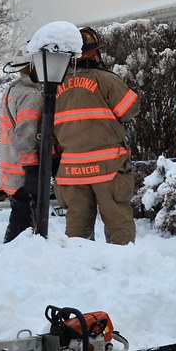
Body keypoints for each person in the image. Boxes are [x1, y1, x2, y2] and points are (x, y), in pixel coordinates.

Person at [54, 26, 140, 245]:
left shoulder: (54, 86)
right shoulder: (106, 79)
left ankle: (79, 268)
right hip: (107, 168)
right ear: (95, 53)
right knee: (117, 222)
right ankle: (123, 267)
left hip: (71, 170)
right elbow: (129, 110)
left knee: (77, 227)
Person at [0, 45, 43, 243]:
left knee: (19, 216)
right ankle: (9, 258)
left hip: (11, 168)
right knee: (23, 222)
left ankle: (8, 257)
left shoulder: (13, 89)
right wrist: (31, 167)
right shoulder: (31, 95)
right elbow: (26, 134)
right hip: (23, 169)